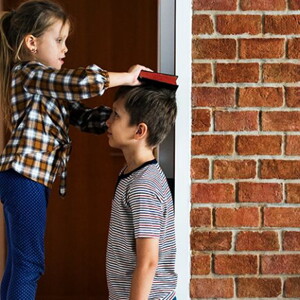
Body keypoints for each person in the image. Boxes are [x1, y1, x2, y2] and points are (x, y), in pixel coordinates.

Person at [0, 0, 150, 299]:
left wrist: (123, 117)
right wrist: (127, 77)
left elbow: (81, 115)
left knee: (19, 263)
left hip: (27, 178)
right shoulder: (29, 73)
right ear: (31, 43)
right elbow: (82, 83)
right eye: (59, 40)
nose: (65, 49)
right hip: (24, 176)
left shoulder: (46, 87)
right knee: (30, 263)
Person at [106, 84, 177, 300]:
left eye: (116, 115)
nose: (107, 121)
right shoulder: (133, 174)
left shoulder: (143, 186)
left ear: (139, 131)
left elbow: (148, 262)